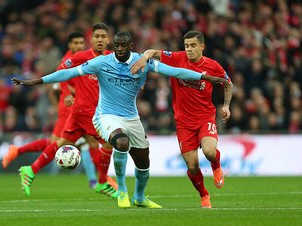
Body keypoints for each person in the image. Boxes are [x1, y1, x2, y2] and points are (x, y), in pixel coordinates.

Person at [12, 31, 228, 208]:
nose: (120, 49)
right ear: (113, 46)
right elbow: (68, 74)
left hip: (131, 117)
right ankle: (122, 190)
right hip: (105, 115)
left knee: (144, 163)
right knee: (119, 142)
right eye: (117, 45)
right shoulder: (101, 62)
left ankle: (140, 197)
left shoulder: (142, 63)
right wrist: (37, 81)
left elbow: (176, 72)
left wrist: (204, 77)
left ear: (130, 45)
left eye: (124, 45)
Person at [12, 22, 118, 197]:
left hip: (86, 112)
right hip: (86, 112)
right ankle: (101, 182)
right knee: (109, 142)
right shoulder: (81, 57)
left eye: (103, 37)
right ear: (91, 40)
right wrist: (64, 90)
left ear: (108, 40)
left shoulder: (111, 58)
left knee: (61, 143)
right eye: (96, 36)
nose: (100, 39)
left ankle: (30, 170)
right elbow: (60, 72)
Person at [130, 30, 233, 208]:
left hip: (205, 117)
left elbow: (227, 83)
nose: (189, 49)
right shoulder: (177, 58)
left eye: (193, 45)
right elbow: (153, 52)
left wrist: (226, 105)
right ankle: (204, 195)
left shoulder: (213, 66)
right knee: (192, 166)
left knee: (209, 151)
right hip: (183, 123)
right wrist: (144, 57)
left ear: (202, 46)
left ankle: (216, 165)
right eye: (186, 46)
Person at [1, 31, 97, 188]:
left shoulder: (83, 58)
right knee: (69, 143)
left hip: (82, 109)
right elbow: (56, 86)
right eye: (76, 43)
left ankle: (97, 180)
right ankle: (99, 181)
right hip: (72, 111)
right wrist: (62, 103)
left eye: (81, 43)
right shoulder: (68, 61)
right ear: (69, 45)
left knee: (84, 142)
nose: (79, 46)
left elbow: (56, 89)